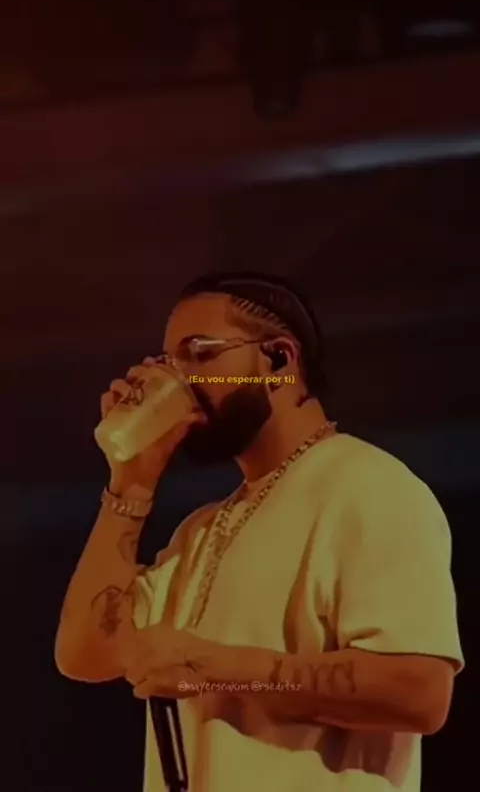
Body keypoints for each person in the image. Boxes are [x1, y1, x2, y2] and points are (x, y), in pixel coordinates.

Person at [55, 270, 464, 792]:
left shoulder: (368, 484)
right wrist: (130, 482)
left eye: (198, 354)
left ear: (277, 361)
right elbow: (85, 652)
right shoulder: (201, 530)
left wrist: (218, 668)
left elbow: (419, 693)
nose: (179, 381)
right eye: (168, 362)